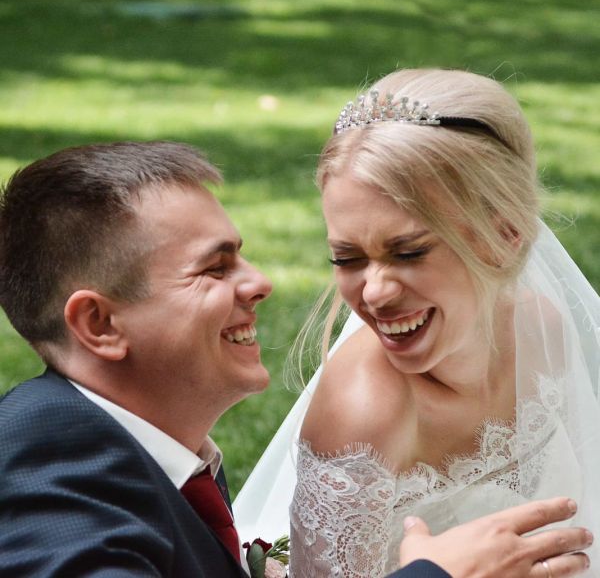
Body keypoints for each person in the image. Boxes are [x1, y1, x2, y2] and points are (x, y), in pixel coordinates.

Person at [0, 141, 592, 578]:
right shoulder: (50, 475)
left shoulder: (133, 452)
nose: (260, 283)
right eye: (215, 268)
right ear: (100, 325)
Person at [233, 69, 600, 577]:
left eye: (408, 252)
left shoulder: (542, 329)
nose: (374, 292)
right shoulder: (364, 411)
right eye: (347, 258)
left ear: (506, 236)